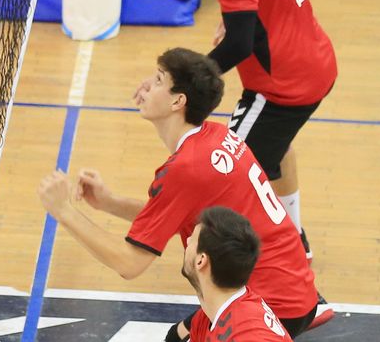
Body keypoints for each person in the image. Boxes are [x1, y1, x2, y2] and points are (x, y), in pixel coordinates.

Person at [36, 48, 330, 341]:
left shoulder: (186, 168)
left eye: (158, 80)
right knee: (176, 337)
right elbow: (171, 215)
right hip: (294, 287)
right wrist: (109, 203)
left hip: (267, 304)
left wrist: (64, 211)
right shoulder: (216, 135)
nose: (146, 86)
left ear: (178, 101)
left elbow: (129, 263)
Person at [192, 0, 338, 258]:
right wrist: (247, 12)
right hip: (316, 59)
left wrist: (188, 81)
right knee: (275, 147)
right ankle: (295, 239)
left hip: (282, 86)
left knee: (228, 172)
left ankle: (283, 259)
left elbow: (238, 45)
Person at [183, 206, 291, 341]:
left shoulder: (248, 335)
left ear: (201, 261)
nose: (187, 241)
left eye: (192, 239)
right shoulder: (207, 318)